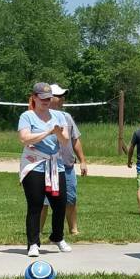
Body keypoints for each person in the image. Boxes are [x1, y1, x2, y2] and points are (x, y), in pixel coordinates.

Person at [18, 82, 72, 257]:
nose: (46, 101)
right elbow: (25, 139)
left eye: (49, 98)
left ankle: (57, 237)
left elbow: (65, 141)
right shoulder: (27, 116)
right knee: (36, 205)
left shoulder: (59, 116)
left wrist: (58, 133)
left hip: (55, 165)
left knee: (60, 203)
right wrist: (48, 132)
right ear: (34, 97)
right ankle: (33, 243)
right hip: (34, 165)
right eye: (42, 98)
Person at [40, 84, 87, 235]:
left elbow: (75, 140)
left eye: (63, 96)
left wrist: (82, 161)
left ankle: (73, 229)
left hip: (67, 167)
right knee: (43, 202)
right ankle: (38, 231)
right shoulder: (40, 117)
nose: (63, 99)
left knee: (71, 199)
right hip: (47, 167)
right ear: (49, 98)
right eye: (59, 96)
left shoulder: (67, 117)